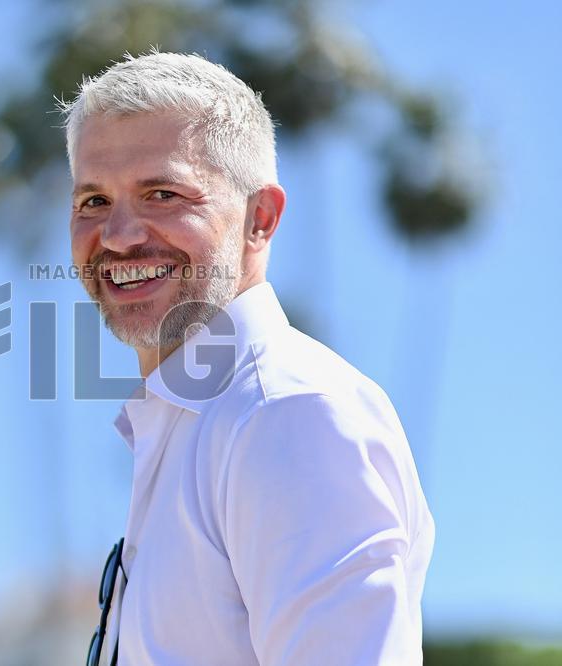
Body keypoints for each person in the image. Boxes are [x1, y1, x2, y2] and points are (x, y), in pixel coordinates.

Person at [62, 51, 435, 665]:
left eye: (163, 193)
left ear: (259, 219)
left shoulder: (286, 412)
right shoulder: (198, 420)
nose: (120, 235)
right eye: (93, 201)